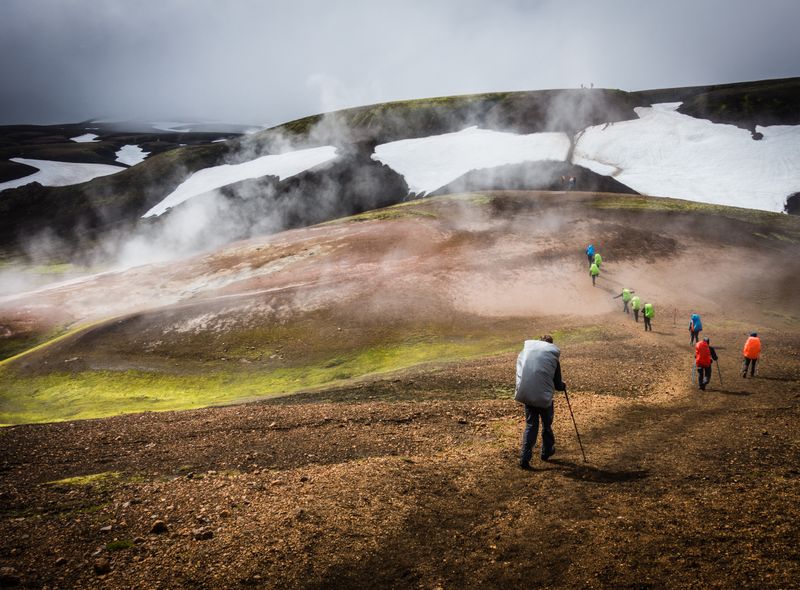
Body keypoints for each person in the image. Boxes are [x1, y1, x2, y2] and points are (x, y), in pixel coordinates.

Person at [515, 335, 566, 469]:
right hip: (544, 398)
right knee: (546, 424)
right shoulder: (552, 358)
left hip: (528, 395)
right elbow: (558, 385)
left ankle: (524, 458)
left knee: (531, 426)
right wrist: (563, 386)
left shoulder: (529, 355)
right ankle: (546, 451)